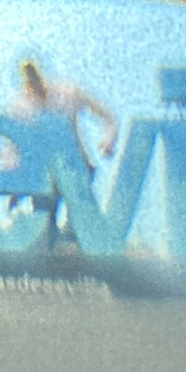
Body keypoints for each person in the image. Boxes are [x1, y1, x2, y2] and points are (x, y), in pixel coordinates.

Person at [10, 61, 119, 249]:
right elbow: (16, 147)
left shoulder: (67, 92)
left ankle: (74, 250)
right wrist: (15, 181)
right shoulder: (22, 107)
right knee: (45, 226)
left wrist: (109, 139)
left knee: (77, 228)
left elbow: (107, 116)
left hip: (76, 168)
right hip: (45, 174)